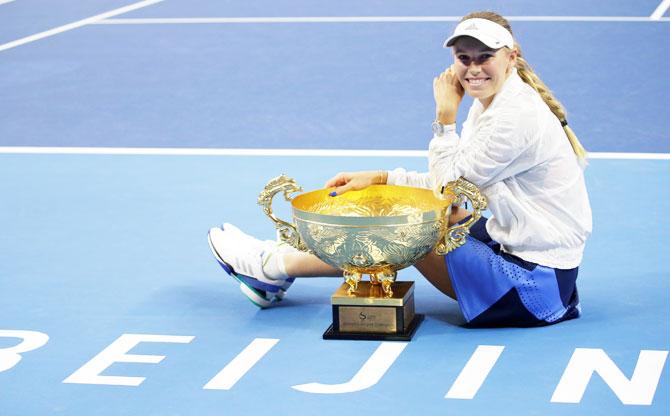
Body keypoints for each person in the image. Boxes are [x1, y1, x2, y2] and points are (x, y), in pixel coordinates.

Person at [208, 11, 592, 327]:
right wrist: (382, 178)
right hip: (533, 264)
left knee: (412, 224)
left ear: (512, 55)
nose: (473, 68)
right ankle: (276, 267)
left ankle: (271, 266)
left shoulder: (515, 117)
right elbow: (456, 186)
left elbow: (448, 190)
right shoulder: (496, 101)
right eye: (464, 57)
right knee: (427, 212)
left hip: (532, 288)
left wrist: (444, 120)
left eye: (485, 56)